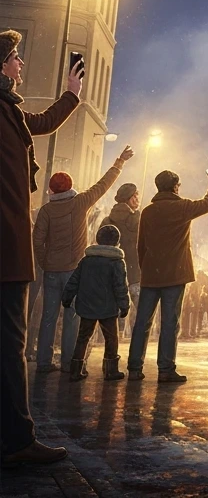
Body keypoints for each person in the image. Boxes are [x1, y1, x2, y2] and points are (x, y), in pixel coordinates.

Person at [0, 30, 82, 466]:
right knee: (10, 346)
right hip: (6, 252)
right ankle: (16, 441)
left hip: (11, 249)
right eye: (15, 58)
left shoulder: (9, 110)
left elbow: (41, 123)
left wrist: (71, 95)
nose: (20, 64)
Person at [31, 147, 132, 372]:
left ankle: (44, 361)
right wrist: (119, 162)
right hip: (74, 270)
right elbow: (103, 185)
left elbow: (37, 240)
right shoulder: (80, 203)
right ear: (70, 187)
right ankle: (69, 362)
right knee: (72, 317)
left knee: (48, 316)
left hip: (51, 270)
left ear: (51, 189)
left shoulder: (46, 211)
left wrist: (43, 261)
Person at [127, 168, 208, 383]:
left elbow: (140, 245)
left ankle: (134, 367)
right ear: (175, 186)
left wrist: (147, 268)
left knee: (142, 322)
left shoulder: (148, 212)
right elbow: (207, 204)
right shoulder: (183, 207)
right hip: (175, 275)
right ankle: (165, 369)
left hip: (151, 274)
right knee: (170, 322)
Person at [60, 224, 130, 382]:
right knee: (111, 338)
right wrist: (124, 305)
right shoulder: (116, 262)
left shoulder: (86, 260)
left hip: (86, 306)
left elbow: (74, 281)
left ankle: (76, 370)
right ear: (117, 242)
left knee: (83, 337)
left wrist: (67, 297)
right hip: (108, 309)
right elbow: (121, 286)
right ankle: (110, 370)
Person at [106, 183, 142, 336]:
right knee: (142, 315)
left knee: (110, 314)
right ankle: (137, 348)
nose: (137, 199)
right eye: (134, 196)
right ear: (128, 199)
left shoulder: (108, 220)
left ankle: (111, 349)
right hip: (135, 274)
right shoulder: (138, 219)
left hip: (113, 273)